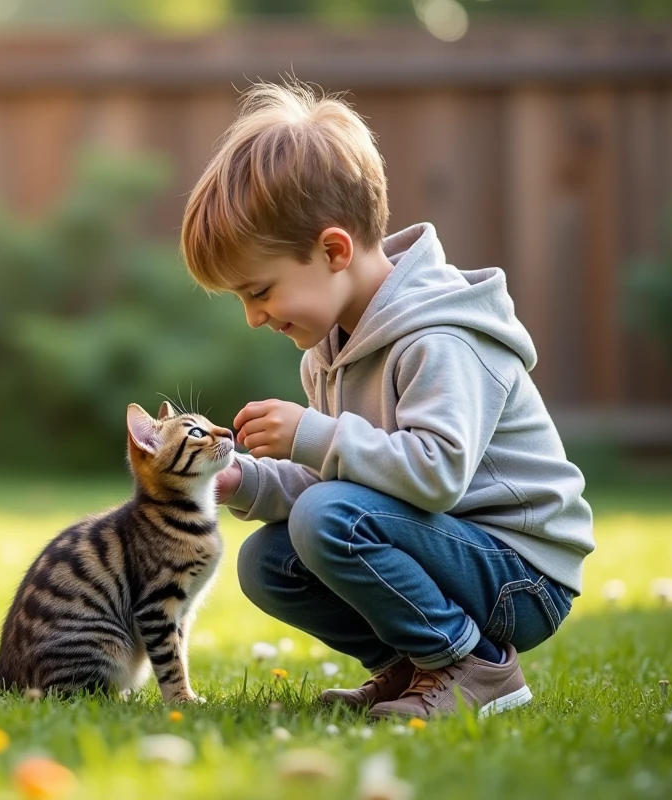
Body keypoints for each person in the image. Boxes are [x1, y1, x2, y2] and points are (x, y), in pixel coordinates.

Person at [178, 80, 594, 720]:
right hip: (446, 550)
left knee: (325, 517)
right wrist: (248, 481)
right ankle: (413, 668)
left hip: (521, 573)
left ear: (333, 250)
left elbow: (434, 473)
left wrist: (311, 435)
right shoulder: (330, 347)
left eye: (259, 291)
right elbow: (347, 479)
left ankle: (475, 668)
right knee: (269, 561)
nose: (254, 318)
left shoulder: (439, 337)